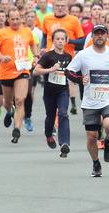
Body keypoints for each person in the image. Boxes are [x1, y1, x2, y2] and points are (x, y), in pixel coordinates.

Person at [66, 24, 109, 176]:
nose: (99, 36)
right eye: (96, 34)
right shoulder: (84, 55)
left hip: (108, 99)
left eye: (102, 34)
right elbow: (69, 71)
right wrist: (79, 79)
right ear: (92, 36)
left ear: (106, 36)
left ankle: (108, 144)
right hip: (90, 101)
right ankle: (96, 163)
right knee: (92, 137)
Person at [0, 9, 39, 143]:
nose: (15, 21)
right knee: (8, 102)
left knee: (20, 100)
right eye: (13, 19)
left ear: (21, 19)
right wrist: (1, 57)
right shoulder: (2, 33)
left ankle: (16, 128)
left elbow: (33, 44)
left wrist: (35, 56)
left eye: (18, 19)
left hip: (22, 70)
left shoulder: (27, 31)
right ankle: (9, 111)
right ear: (8, 20)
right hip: (6, 72)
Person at [33, 29, 74, 158]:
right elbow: (35, 71)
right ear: (53, 40)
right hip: (49, 91)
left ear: (66, 41)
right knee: (50, 116)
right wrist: (51, 69)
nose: (60, 41)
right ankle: (48, 134)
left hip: (63, 91)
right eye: (57, 39)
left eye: (63, 39)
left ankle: (64, 143)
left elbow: (71, 73)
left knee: (63, 114)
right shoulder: (48, 56)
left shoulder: (68, 57)